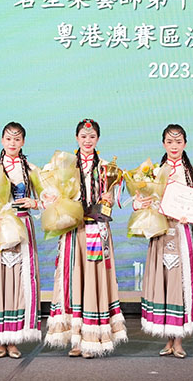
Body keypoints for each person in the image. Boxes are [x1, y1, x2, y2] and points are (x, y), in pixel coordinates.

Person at [45, 119, 127, 357]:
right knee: (74, 279)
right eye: (83, 136)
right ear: (76, 138)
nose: (87, 140)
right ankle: (75, 339)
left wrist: (109, 197)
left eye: (92, 137)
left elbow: (112, 197)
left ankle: (93, 338)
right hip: (73, 229)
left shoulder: (106, 167)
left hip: (96, 227)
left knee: (94, 280)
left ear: (97, 139)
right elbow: (49, 192)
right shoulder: (65, 165)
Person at [0, 122, 43, 358]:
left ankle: (14, 339)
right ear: (2, 140)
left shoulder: (31, 169)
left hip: (22, 227)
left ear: (23, 142)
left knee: (19, 282)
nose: (12, 143)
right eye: (9, 139)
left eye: (17, 139)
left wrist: (35, 203)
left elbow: (49, 197)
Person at [138, 124, 193, 358]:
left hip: (184, 232)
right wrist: (143, 203)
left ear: (185, 144)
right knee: (164, 283)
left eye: (178, 142)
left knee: (181, 283)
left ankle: (179, 340)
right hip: (162, 232)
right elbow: (140, 200)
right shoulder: (153, 172)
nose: (174, 146)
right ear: (163, 144)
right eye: (169, 142)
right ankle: (167, 338)